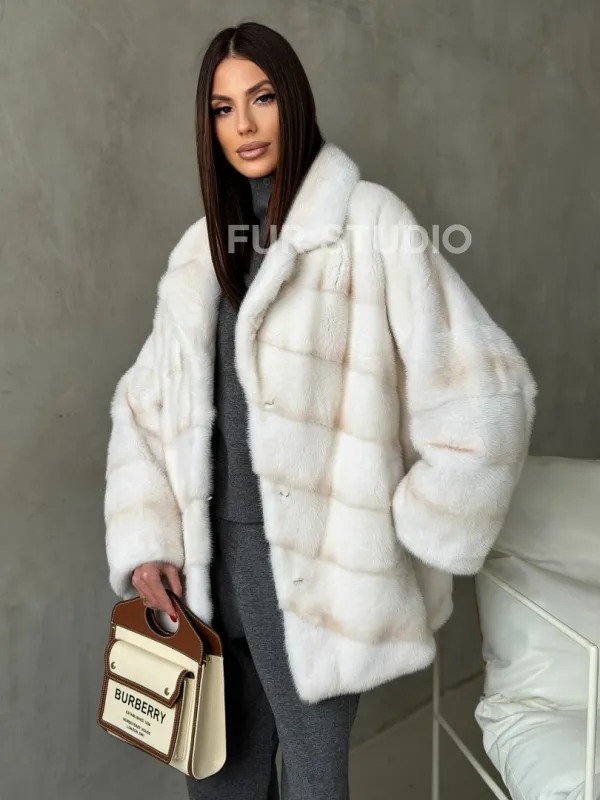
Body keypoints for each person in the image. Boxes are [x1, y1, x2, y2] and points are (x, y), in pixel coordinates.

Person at [103, 20, 537, 800]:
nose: (244, 124)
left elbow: (485, 389)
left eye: (262, 98)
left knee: (312, 778)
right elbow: (145, 404)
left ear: (293, 101)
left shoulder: (370, 223)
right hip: (208, 567)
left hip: (312, 574)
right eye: (223, 108)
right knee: (221, 778)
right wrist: (148, 544)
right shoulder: (201, 249)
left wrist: (402, 529)